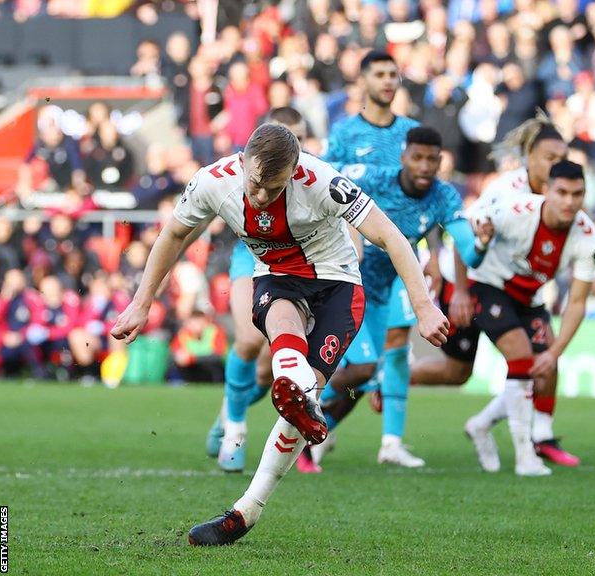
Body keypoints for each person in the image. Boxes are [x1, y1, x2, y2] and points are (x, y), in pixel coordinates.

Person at [110, 123, 448, 546]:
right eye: (256, 183)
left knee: (295, 408)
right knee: (283, 328)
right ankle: (298, 396)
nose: (262, 196)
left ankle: (248, 507)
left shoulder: (322, 180)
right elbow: (174, 234)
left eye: (274, 187)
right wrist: (142, 302)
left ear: (294, 171)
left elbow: (391, 237)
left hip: (338, 283)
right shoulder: (214, 182)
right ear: (242, 160)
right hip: (277, 276)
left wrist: (423, 306)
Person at [408, 115, 589, 467]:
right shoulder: (507, 192)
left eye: (561, 157)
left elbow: (571, 243)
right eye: (549, 157)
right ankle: (392, 379)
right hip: (478, 282)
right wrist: (460, 291)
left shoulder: (562, 195)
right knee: (461, 372)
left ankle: (540, 437)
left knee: (543, 362)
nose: (557, 165)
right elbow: (465, 234)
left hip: (523, 289)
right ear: (529, 157)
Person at [311, 127, 484, 469]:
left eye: (431, 160)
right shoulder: (373, 177)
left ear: (440, 162)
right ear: (403, 157)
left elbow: (470, 252)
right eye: (417, 158)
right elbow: (322, 172)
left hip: (389, 286)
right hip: (346, 281)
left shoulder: (444, 196)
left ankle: (377, 439)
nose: (423, 166)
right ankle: (306, 415)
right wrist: (345, 230)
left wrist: (482, 242)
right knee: (361, 368)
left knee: (376, 363)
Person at [321, 50, 436, 468]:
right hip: (356, 262)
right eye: (380, 74)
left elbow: (430, 195)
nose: (388, 81)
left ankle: (391, 443)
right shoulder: (345, 135)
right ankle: (317, 421)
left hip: (403, 257)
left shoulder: (412, 134)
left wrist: (434, 253)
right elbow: (326, 192)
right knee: (360, 365)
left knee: (400, 342)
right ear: (364, 82)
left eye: (394, 74)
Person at [464, 160, 595, 476]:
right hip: (488, 283)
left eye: (577, 194)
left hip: (529, 298)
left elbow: (578, 302)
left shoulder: (588, 236)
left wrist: (555, 353)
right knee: (522, 357)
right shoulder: (516, 210)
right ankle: (526, 455)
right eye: (562, 192)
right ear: (547, 191)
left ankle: (481, 424)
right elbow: (464, 231)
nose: (569, 201)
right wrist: (459, 289)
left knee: (544, 370)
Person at [205, 107, 312, 473]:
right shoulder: (244, 169)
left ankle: (226, 413)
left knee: (267, 374)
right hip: (249, 258)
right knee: (249, 341)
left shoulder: (312, 176)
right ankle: (235, 431)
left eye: (296, 136)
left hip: (293, 268)